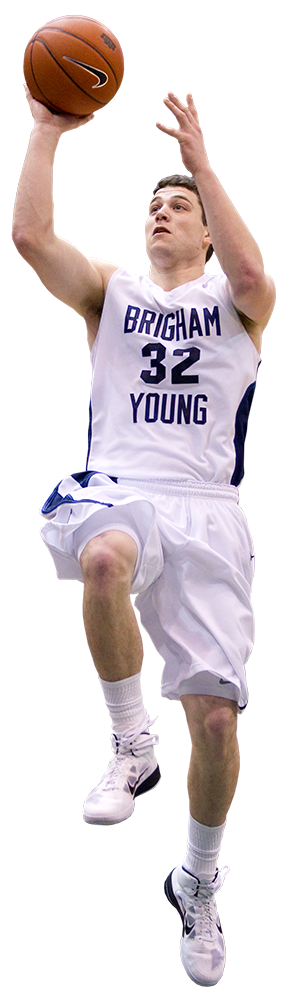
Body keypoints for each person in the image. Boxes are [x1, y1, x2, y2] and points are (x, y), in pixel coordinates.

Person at [12, 86, 275, 987]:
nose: (161, 214)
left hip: (206, 505)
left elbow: (253, 281)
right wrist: (46, 130)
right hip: (125, 487)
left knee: (215, 716)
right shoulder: (111, 294)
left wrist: (202, 165)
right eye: (154, 206)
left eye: (180, 210)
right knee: (103, 556)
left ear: (205, 232)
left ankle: (198, 879)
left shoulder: (236, 302)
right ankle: (131, 741)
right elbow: (33, 241)